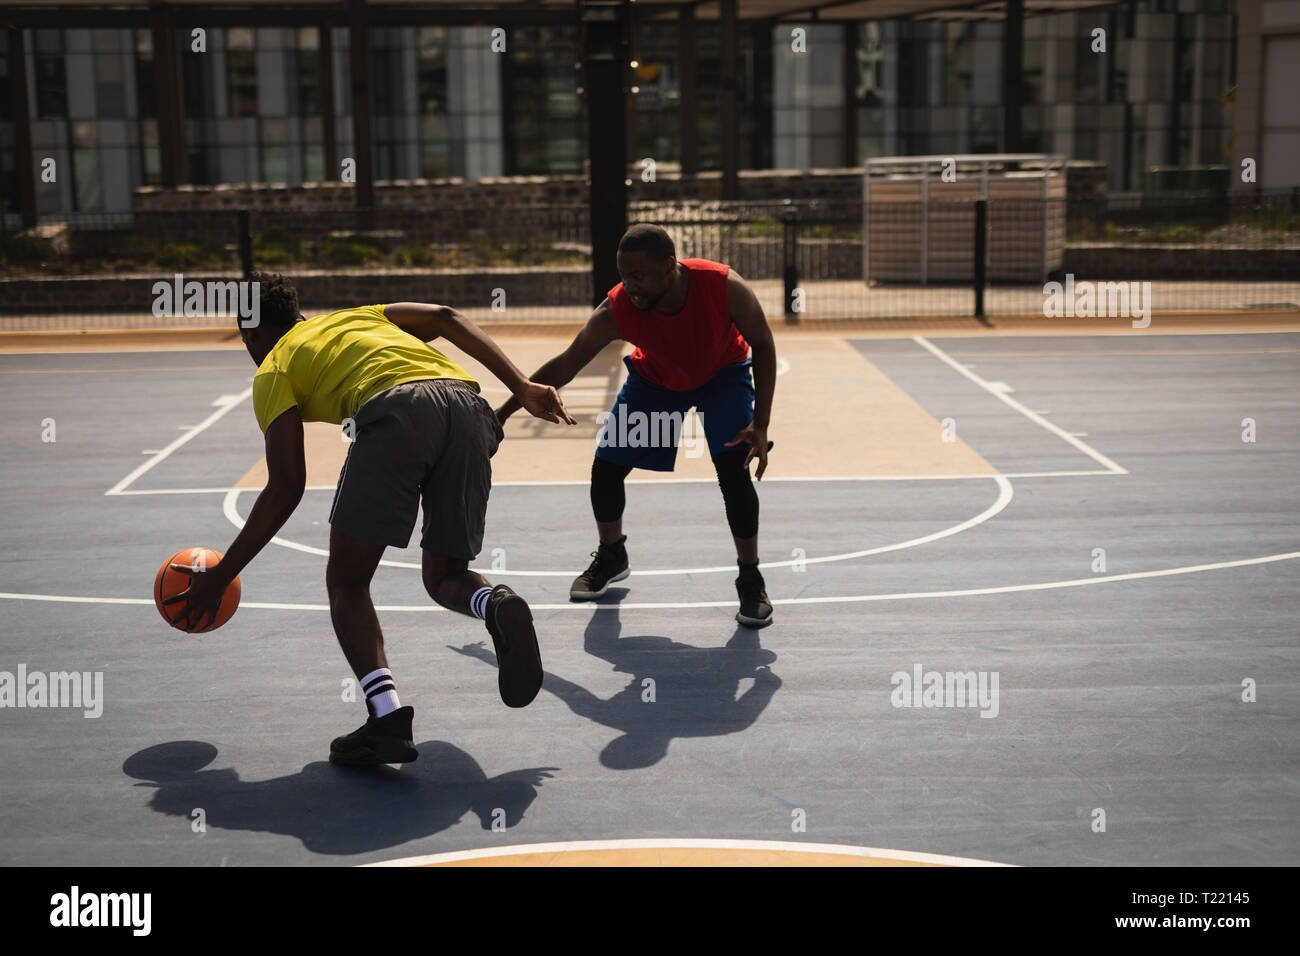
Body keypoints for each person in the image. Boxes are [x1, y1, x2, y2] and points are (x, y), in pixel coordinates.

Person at [162, 272, 575, 767]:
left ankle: (386, 719)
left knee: (348, 581)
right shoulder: (360, 317)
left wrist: (222, 576)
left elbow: (286, 487)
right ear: (297, 312)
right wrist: (522, 385)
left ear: (250, 333)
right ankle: (497, 604)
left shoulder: (272, 367)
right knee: (445, 575)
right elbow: (445, 318)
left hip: (396, 411)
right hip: (467, 405)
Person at [495, 224, 777, 628]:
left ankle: (750, 577)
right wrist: (501, 415)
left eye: (638, 276)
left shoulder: (722, 285)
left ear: (669, 266)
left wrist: (760, 424)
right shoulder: (617, 309)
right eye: (624, 276)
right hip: (659, 381)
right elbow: (566, 363)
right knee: (606, 467)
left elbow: (763, 343)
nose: (630, 286)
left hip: (724, 374)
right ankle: (612, 554)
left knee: (733, 469)